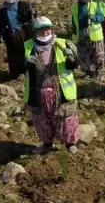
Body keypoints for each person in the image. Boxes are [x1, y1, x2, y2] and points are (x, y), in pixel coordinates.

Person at [23, 17, 80, 155]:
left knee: (66, 118)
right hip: (38, 93)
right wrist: (25, 63)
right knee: (42, 120)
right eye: (41, 29)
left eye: (47, 28)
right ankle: (47, 144)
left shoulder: (63, 44)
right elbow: (18, 67)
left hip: (62, 91)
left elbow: (75, 65)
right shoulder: (27, 46)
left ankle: (70, 144)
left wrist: (72, 57)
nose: (45, 32)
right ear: (35, 31)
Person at [0, 0, 36, 79]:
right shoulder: (2, 9)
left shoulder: (24, 5)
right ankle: (14, 73)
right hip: (10, 35)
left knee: (26, 52)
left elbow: (31, 16)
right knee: (13, 54)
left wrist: (33, 12)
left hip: (24, 33)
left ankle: (28, 71)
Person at [71, 0, 105, 79]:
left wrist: (94, 17)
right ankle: (88, 72)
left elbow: (102, 17)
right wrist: (74, 33)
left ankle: (98, 71)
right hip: (81, 33)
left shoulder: (93, 5)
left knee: (97, 54)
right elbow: (74, 22)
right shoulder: (74, 7)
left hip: (94, 34)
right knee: (84, 55)